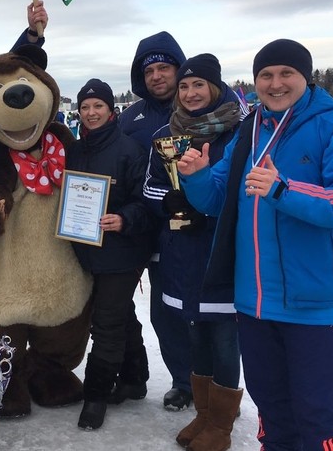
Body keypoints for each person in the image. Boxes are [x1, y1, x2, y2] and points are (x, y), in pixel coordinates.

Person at [178, 39, 333, 450]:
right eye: (265, 75)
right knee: (272, 411)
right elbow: (218, 197)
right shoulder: (250, 130)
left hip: (311, 303)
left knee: (320, 416)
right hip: (254, 302)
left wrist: (285, 190)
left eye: (286, 73)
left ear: (307, 77)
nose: (275, 83)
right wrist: (197, 176)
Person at [144, 54, 244, 450]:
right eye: (184, 86)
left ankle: (221, 424)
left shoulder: (236, 133)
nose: (190, 93)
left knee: (223, 337)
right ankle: (204, 416)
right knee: (196, 333)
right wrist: (170, 203)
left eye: (198, 85)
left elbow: (236, 189)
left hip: (220, 249)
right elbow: (151, 186)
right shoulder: (168, 134)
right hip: (183, 251)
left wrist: (208, 211)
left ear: (214, 88)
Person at [66, 79, 156, 430]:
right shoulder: (74, 150)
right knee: (120, 314)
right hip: (86, 249)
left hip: (122, 251)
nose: (90, 113)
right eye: (85, 107)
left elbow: (148, 202)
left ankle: (96, 394)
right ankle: (135, 377)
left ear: (110, 110)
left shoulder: (130, 150)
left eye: (98, 107)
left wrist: (124, 219)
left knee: (106, 322)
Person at [118, 31, 193, 411]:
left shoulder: (202, 108)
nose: (157, 76)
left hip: (186, 232)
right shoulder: (130, 118)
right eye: (149, 71)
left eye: (165, 67)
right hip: (136, 230)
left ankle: (198, 381)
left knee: (184, 312)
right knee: (138, 311)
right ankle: (148, 376)